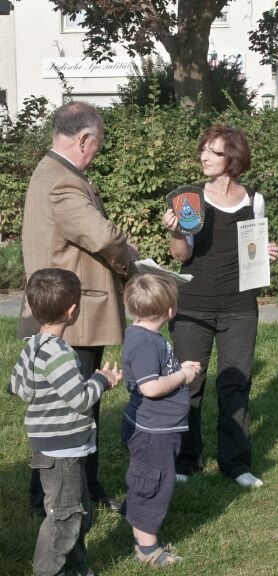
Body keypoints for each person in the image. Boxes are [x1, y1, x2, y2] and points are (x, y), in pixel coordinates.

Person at [18, 101, 137, 514]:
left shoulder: (46, 171)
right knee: (79, 409)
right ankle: (72, 493)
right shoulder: (64, 181)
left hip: (57, 306)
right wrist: (133, 260)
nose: (96, 153)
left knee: (54, 408)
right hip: (76, 313)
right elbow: (101, 236)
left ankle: (59, 492)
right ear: (85, 139)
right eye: (97, 145)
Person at [161, 125, 278, 488]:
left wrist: (265, 251)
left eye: (213, 152)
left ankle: (236, 463)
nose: (204, 157)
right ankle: (185, 460)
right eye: (204, 151)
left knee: (236, 384)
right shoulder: (187, 199)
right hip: (193, 304)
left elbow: (253, 253)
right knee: (187, 383)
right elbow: (182, 255)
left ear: (234, 159)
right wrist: (176, 231)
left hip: (239, 306)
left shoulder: (253, 200)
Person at [8, 268, 120, 576]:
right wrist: (101, 379)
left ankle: (74, 565)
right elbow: (80, 399)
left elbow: (17, 386)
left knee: (77, 513)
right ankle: (49, 571)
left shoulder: (33, 345)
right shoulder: (59, 354)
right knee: (64, 518)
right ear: (72, 311)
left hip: (54, 448)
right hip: (62, 451)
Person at [119, 274, 201, 566]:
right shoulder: (144, 343)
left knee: (146, 478)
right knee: (152, 486)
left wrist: (181, 369)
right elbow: (150, 387)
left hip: (157, 428)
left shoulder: (145, 335)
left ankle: (133, 513)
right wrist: (184, 376)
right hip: (153, 432)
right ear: (169, 311)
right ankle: (147, 548)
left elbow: (155, 373)